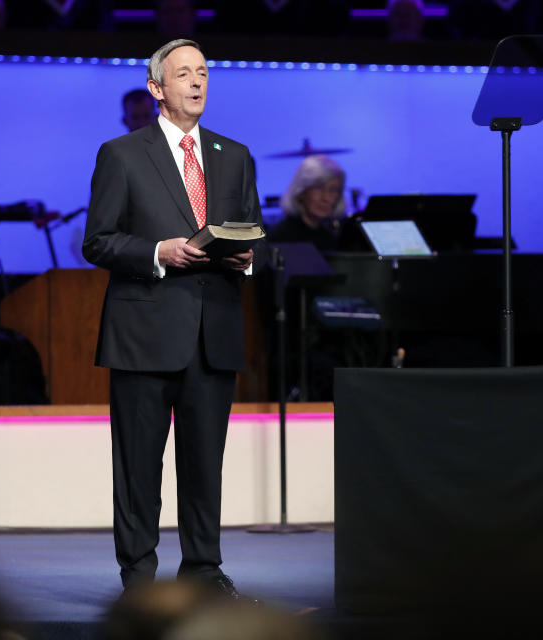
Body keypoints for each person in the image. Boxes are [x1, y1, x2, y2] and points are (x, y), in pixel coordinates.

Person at [83, 39, 263, 599]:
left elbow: (251, 228)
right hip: (144, 330)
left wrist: (247, 256)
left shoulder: (234, 154)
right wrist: (159, 252)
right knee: (139, 465)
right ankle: (139, 579)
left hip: (213, 329)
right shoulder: (122, 153)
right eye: (184, 74)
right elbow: (99, 240)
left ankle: (204, 572)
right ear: (156, 88)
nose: (197, 82)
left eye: (204, 72)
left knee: (205, 463)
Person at [267, 154, 347, 252]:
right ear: (301, 192)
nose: (325, 198)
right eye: (318, 187)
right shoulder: (278, 238)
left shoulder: (332, 239)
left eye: (333, 190)